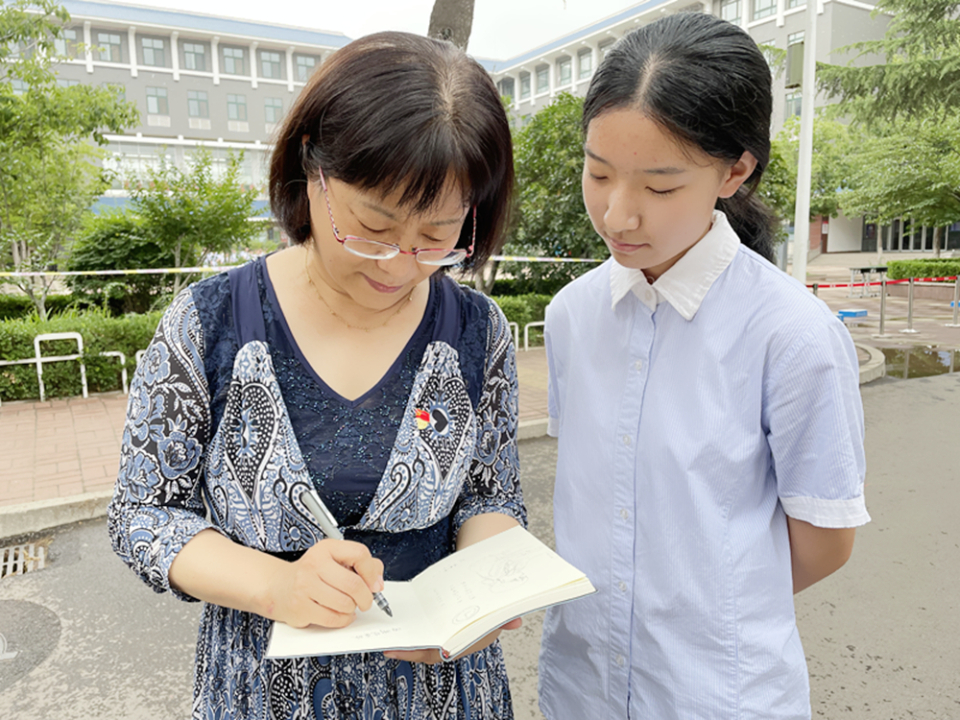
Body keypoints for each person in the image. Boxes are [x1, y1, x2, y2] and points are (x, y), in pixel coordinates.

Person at [108, 32, 526, 720]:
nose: (396, 264)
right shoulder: (210, 323)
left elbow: (492, 495)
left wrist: (481, 597)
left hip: (445, 693)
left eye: (435, 238)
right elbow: (144, 513)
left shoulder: (477, 332)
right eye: (371, 227)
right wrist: (276, 586)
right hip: (264, 691)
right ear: (311, 169)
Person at [538, 13, 869, 720]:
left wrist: (710, 606)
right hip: (581, 689)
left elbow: (825, 542)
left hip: (716, 695)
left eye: (659, 187)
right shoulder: (572, 315)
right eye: (598, 173)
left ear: (736, 169)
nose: (617, 215)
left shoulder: (791, 334)